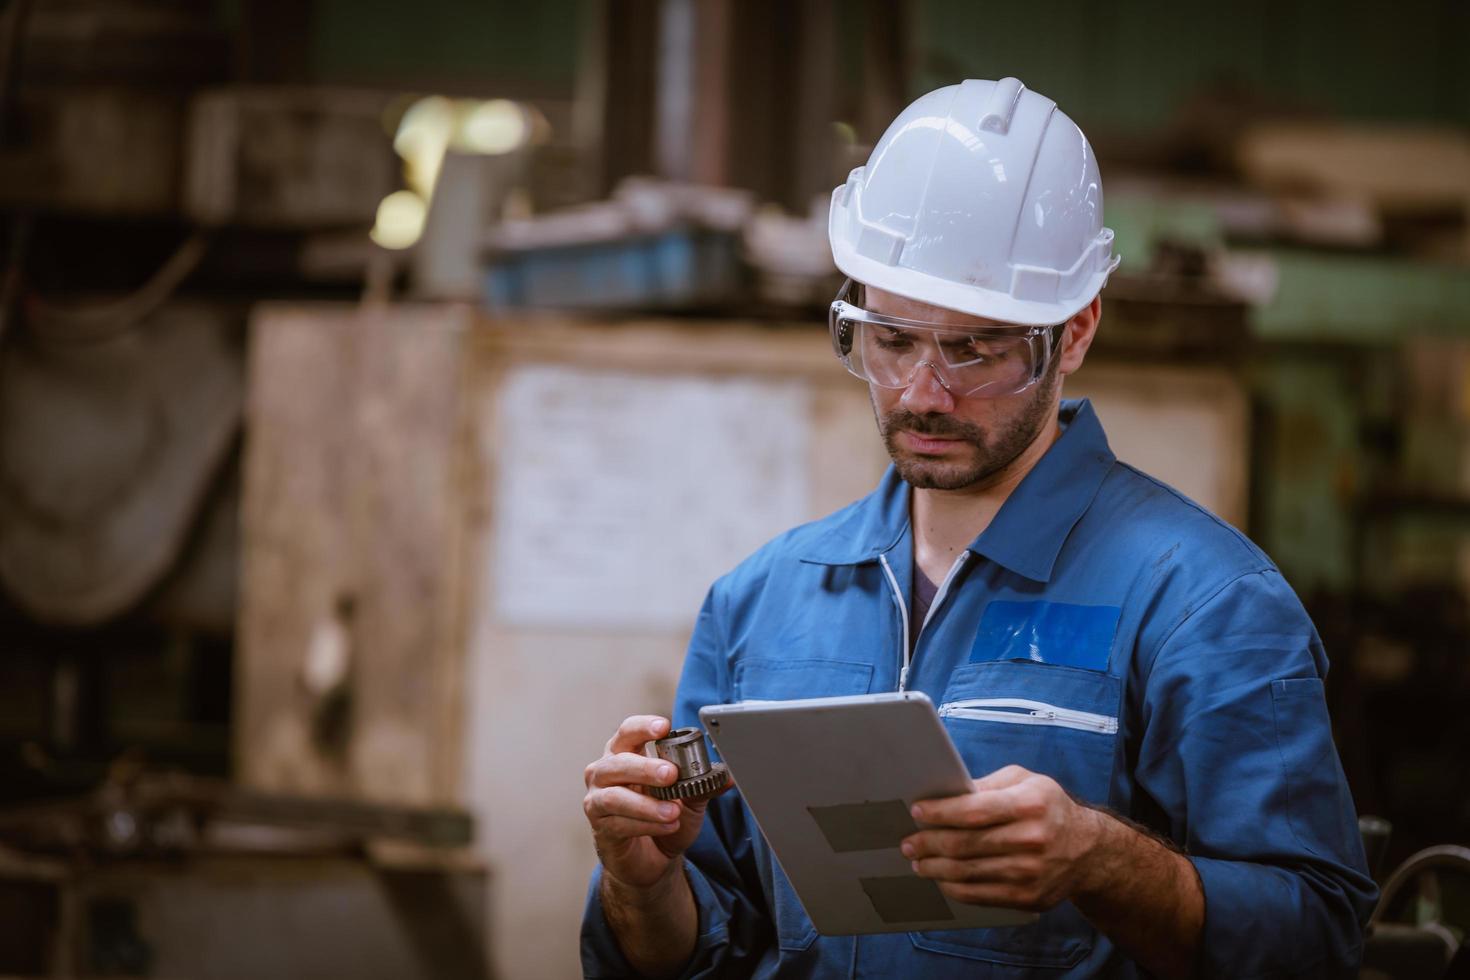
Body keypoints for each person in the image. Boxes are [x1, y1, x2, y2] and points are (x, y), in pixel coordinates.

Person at [580, 77, 1376, 978]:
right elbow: (710, 946)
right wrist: (642, 887)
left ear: (1073, 334)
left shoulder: (1206, 604)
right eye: (890, 340)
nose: (923, 392)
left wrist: (1104, 860)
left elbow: (1318, 938)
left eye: (974, 350)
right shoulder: (766, 600)